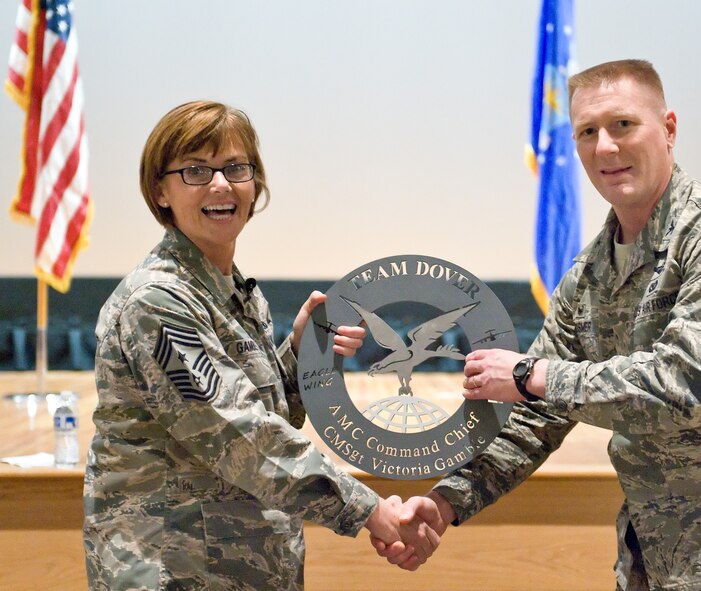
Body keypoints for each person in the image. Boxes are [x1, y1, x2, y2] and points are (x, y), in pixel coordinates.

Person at [377, 60, 701, 590]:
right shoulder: (590, 272)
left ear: (668, 129)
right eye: (588, 132)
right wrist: (445, 502)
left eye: (623, 125)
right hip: (651, 558)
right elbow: (535, 416)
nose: (606, 148)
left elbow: (689, 385)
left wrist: (530, 374)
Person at [83, 100, 442, 590]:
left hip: (240, 567)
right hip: (175, 570)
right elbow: (239, 437)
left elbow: (269, 415)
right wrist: (369, 510)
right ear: (160, 191)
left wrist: (301, 353)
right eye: (195, 170)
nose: (221, 185)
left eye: (236, 168)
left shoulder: (234, 292)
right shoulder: (158, 302)